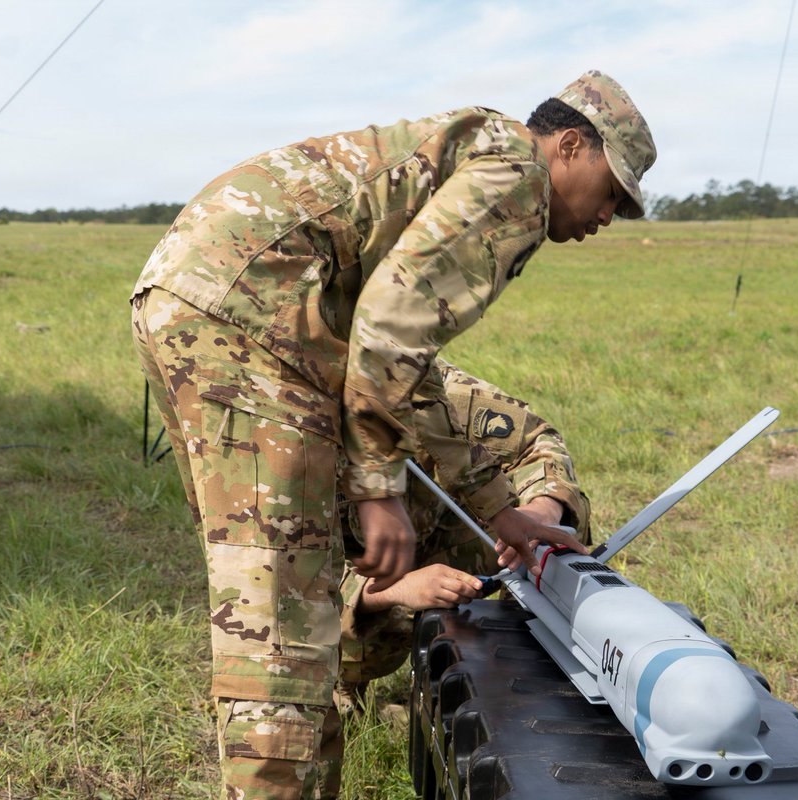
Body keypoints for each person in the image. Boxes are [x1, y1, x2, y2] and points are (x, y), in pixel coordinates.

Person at [130, 70, 654, 799]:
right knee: (280, 645)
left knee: (288, 617)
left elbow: (413, 370)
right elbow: (391, 325)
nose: (613, 216)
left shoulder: (474, 154)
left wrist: (500, 503)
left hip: (210, 301)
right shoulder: (517, 177)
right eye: (615, 192)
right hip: (255, 319)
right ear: (570, 145)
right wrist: (378, 483)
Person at [336, 359, 591, 712]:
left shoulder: (422, 389)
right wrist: (395, 590)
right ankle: (338, 687)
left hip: (425, 540)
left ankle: (516, 675)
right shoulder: (283, 430)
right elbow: (268, 585)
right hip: (329, 587)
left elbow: (537, 442)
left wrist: (539, 510)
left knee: (542, 530)